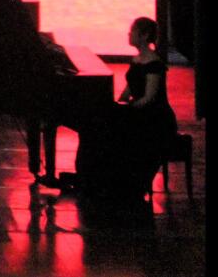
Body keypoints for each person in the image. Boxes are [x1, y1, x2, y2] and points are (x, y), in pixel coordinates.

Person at [57, 17, 177, 203]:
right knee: (99, 125)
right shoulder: (137, 60)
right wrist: (118, 105)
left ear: (144, 35)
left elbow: (149, 98)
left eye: (133, 31)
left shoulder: (154, 64)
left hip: (154, 117)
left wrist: (125, 110)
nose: (129, 34)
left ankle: (106, 181)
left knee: (112, 129)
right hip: (139, 111)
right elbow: (129, 90)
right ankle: (92, 177)